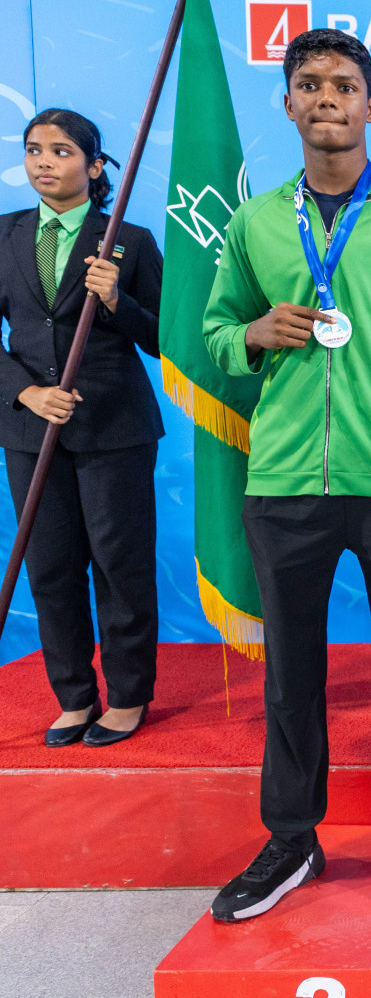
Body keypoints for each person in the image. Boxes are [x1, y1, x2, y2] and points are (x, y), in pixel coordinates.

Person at [202, 29, 371, 929]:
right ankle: (292, 838)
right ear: (288, 104)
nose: (328, 97)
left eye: (346, 85)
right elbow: (210, 335)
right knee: (291, 672)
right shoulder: (252, 223)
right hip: (283, 483)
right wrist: (250, 334)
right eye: (310, 83)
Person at [0, 109, 161, 748]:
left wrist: (120, 301)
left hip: (115, 428)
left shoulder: (129, 240)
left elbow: (164, 336)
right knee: (51, 566)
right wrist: (28, 393)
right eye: (34, 150)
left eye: (62, 151)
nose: (45, 162)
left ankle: (126, 697)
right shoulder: (5, 235)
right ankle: (73, 696)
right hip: (30, 431)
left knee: (120, 566)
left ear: (94, 168)